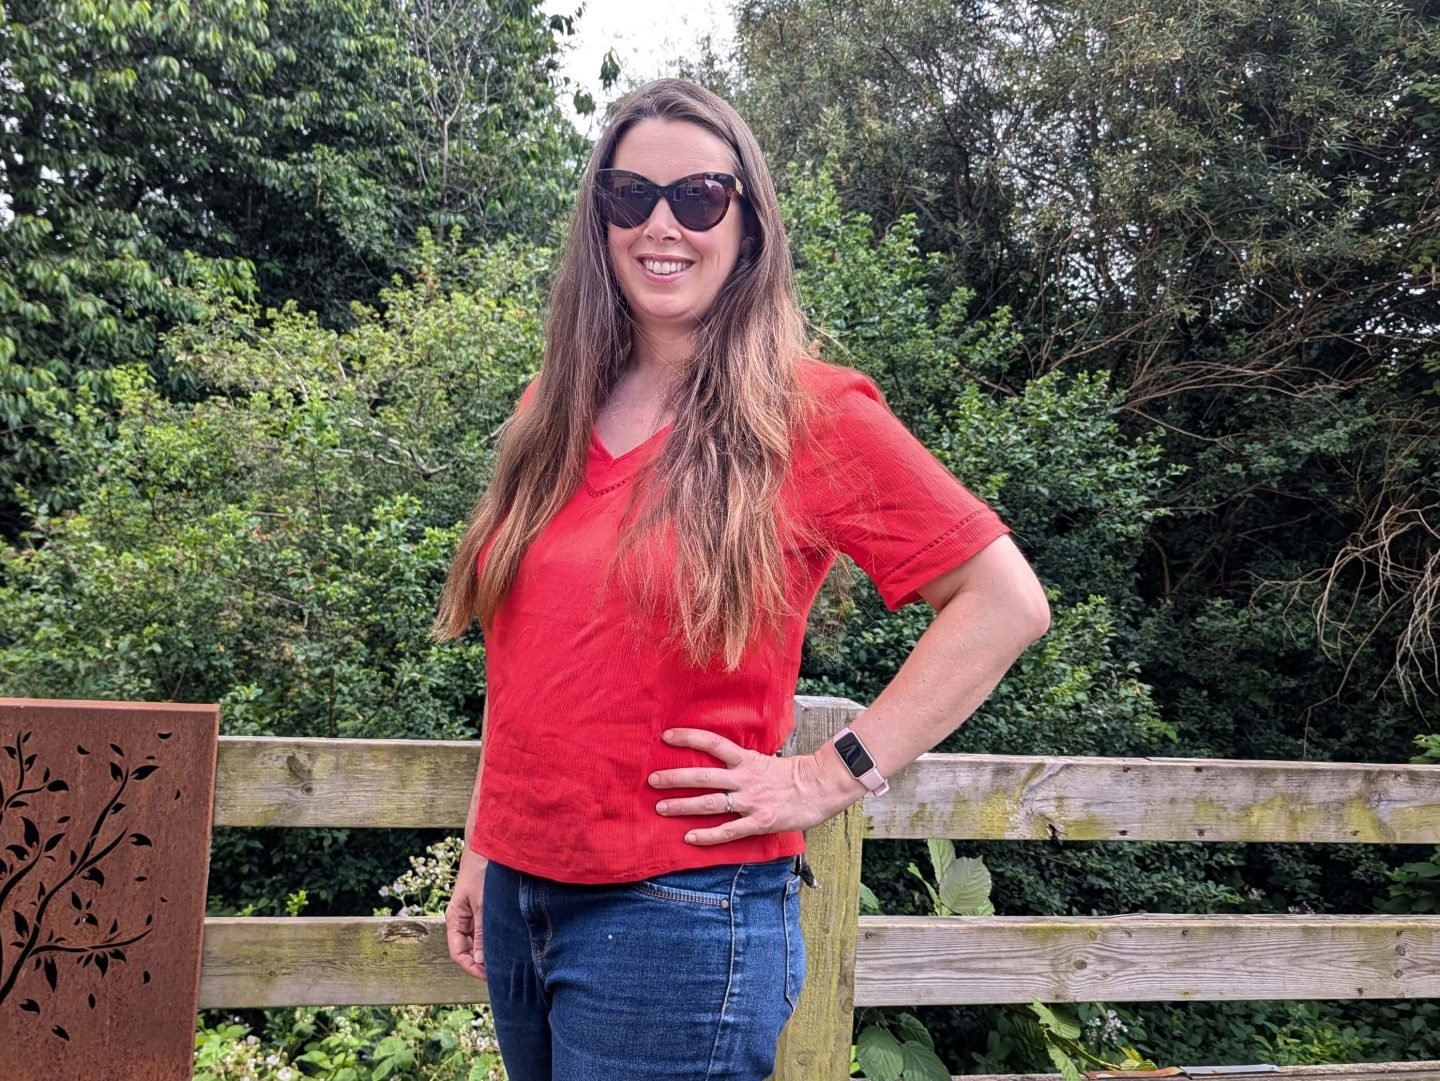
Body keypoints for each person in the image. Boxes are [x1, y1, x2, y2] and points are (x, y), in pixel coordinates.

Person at [430, 78, 1050, 1081]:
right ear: (599, 221)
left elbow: (1005, 602)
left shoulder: (811, 416)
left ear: (749, 223)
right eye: (630, 198)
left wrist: (825, 773)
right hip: (521, 895)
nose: (662, 224)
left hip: (682, 910)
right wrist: (484, 844)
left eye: (700, 197)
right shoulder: (548, 407)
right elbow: (530, 662)